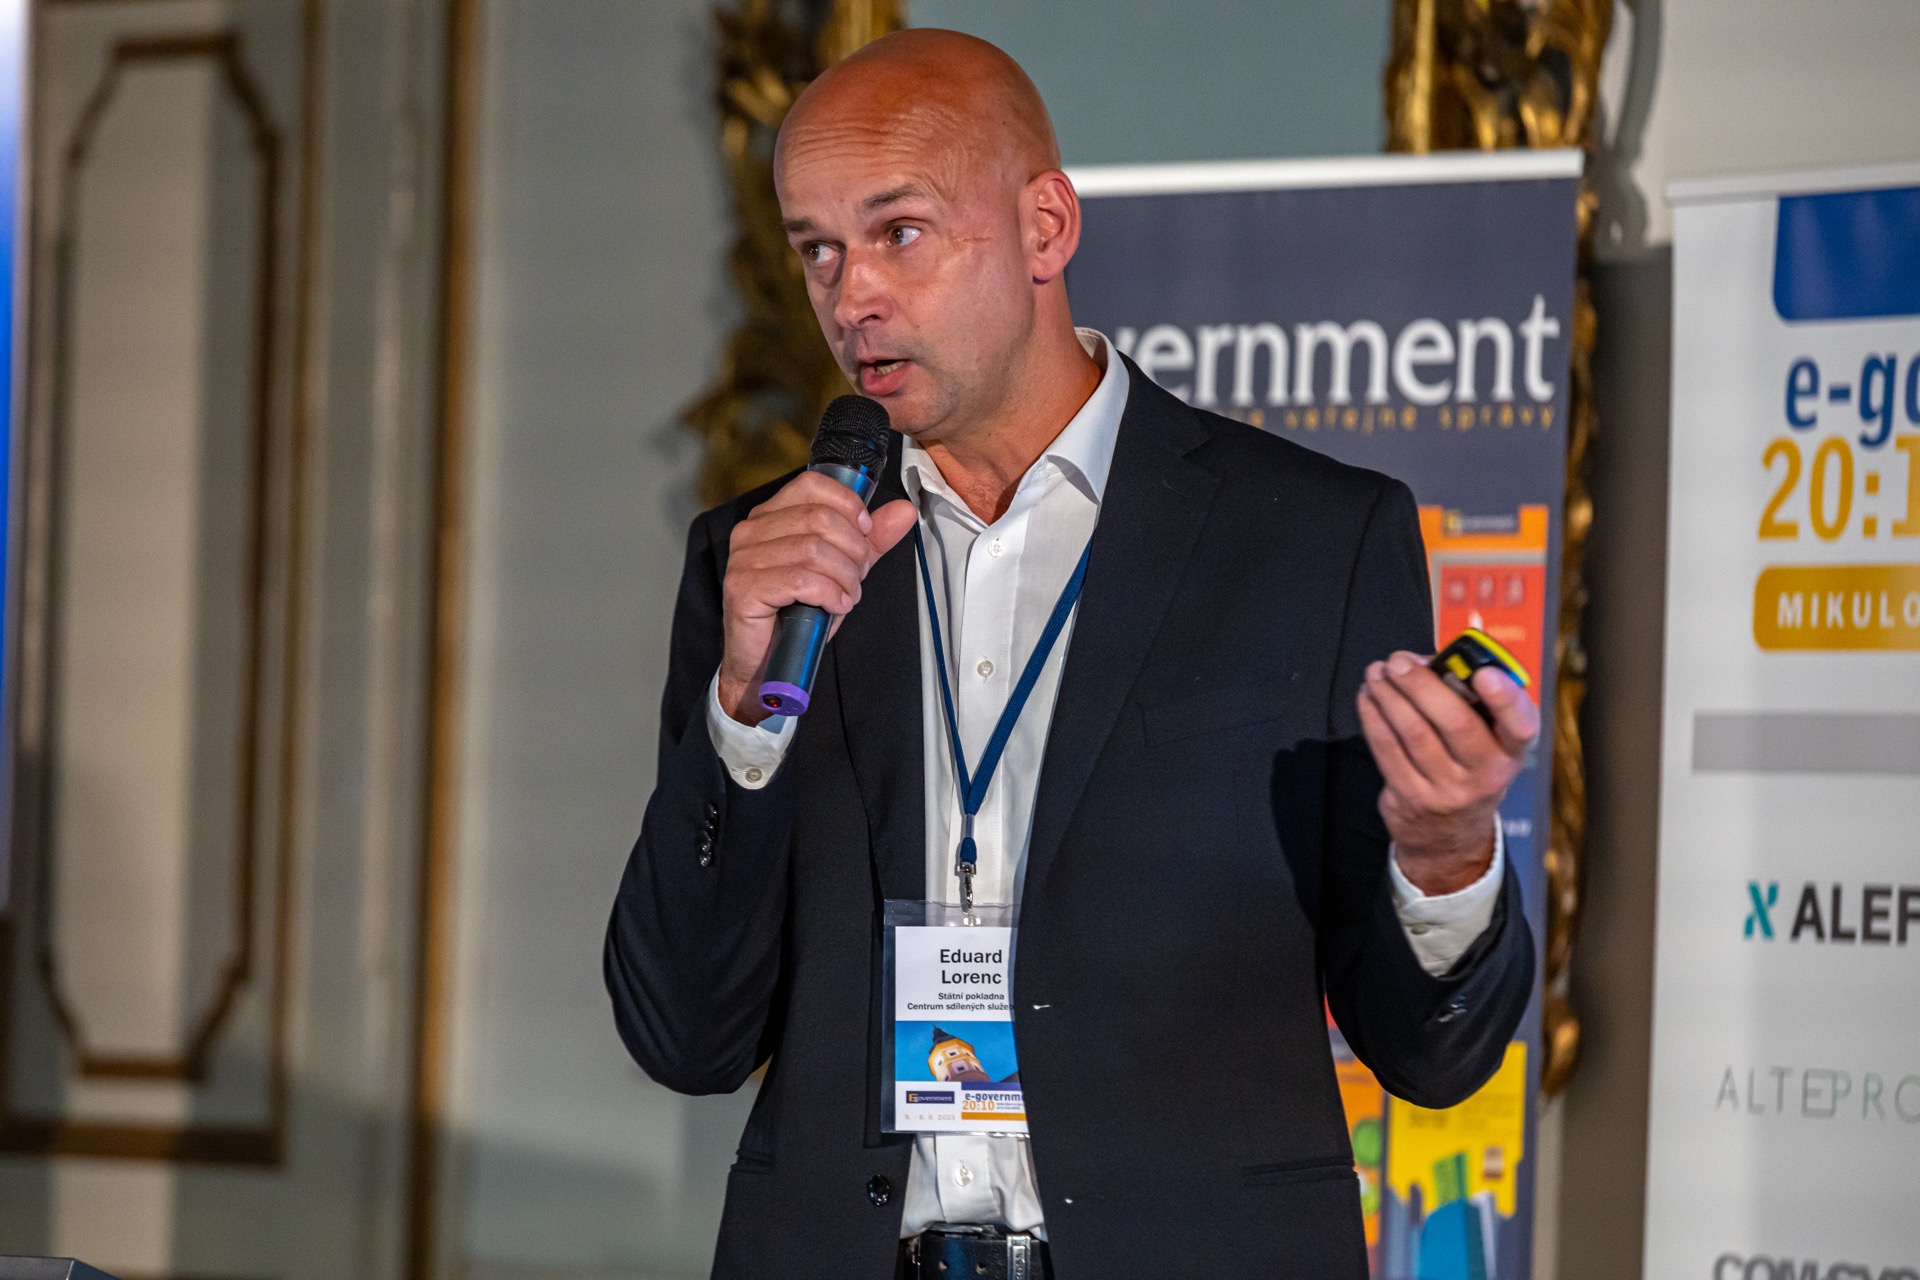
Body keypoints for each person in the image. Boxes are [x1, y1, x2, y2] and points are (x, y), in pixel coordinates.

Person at [606, 28, 1538, 1279]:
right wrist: (739, 713)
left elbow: (1433, 1052)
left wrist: (1446, 853)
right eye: (816, 248)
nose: (850, 295)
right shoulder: (768, 567)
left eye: (899, 232)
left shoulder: (1309, 539)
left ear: (1045, 227)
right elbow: (683, 1034)